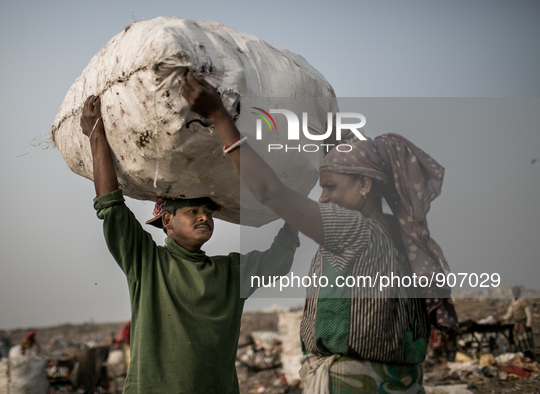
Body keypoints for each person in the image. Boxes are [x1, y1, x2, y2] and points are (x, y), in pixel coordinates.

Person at [181, 71, 459, 393]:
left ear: (365, 184)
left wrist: (219, 117)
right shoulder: (399, 235)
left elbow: (271, 193)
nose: (322, 196)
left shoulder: (357, 231)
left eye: (329, 186)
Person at [80, 95, 300, 394]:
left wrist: (294, 217)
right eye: (193, 211)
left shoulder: (231, 272)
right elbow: (111, 207)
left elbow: (278, 259)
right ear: (167, 222)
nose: (204, 218)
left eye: (208, 213)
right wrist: (96, 138)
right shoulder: (147, 263)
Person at [501, 286, 534, 358]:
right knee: (519, 343)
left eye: (516, 292)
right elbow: (509, 314)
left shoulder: (523, 301)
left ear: (519, 292)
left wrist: (529, 324)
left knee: (526, 344)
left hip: (523, 325)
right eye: (513, 292)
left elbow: (529, 314)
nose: (515, 293)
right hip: (517, 325)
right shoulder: (513, 302)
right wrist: (502, 319)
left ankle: (529, 357)